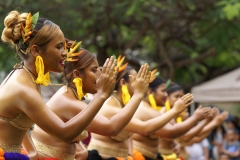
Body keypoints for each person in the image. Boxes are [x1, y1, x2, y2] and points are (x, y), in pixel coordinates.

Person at [0, 10, 117, 159]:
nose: (64, 53)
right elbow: (65, 133)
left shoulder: (26, 76)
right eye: (58, 47)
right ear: (36, 50)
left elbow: (19, 122)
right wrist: (101, 96)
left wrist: (32, 153)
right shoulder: (24, 89)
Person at [30, 52, 151, 160]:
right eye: (94, 70)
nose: (100, 75)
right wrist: (138, 95)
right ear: (77, 74)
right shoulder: (68, 101)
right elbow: (112, 128)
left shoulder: (70, 95)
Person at [87, 73, 194, 159]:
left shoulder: (123, 108)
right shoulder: (113, 109)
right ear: (123, 83)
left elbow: (128, 137)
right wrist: (192, 116)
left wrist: (129, 155)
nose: (141, 84)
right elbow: (148, 129)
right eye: (135, 80)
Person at [131, 78, 210, 160]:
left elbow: (173, 136)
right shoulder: (146, 110)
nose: (166, 95)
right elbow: (171, 132)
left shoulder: (153, 111)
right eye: (163, 91)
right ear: (150, 92)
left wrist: (175, 142)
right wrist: (195, 118)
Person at [157, 83, 211, 160]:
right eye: (176, 96)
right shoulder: (163, 113)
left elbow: (192, 137)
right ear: (167, 98)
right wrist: (205, 120)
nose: (180, 99)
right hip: (163, 156)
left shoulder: (177, 116)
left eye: (182, 97)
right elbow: (184, 137)